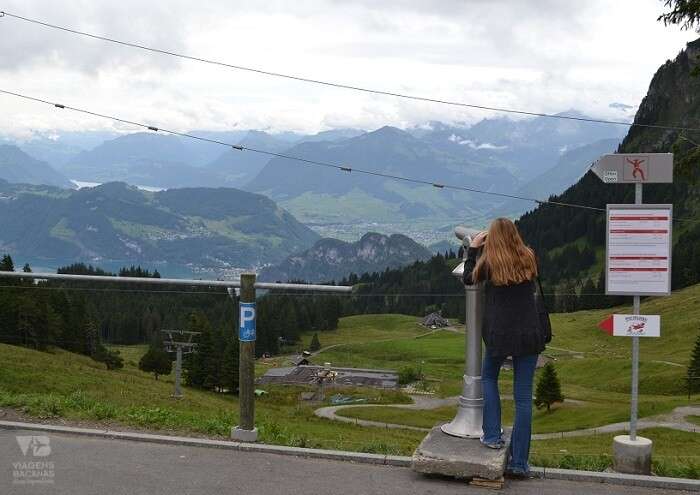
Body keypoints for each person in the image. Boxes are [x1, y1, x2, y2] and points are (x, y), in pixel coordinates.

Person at [462, 217, 546, 479]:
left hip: (499, 334)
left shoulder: (489, 263)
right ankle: (519, 462)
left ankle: (492, 436)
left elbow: (468, 279)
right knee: (523, 399)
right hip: (529, 333)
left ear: (492, 238)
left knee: (489, 377)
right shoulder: (529, 256)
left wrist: (473, 248)